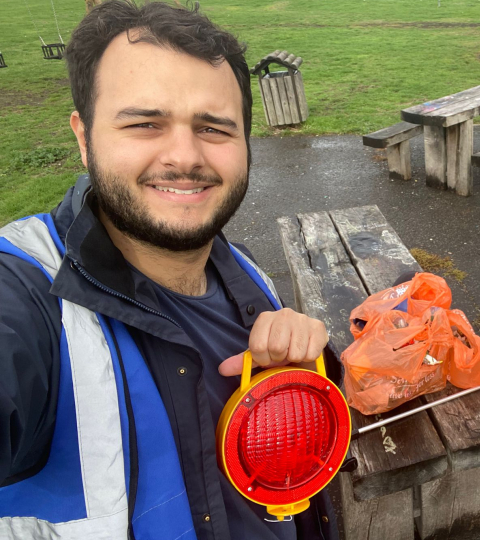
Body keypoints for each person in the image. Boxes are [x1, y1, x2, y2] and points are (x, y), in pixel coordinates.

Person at [0, 2, 336, 539]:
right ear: (84, 138)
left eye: (214, 128)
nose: (185, 155)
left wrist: (313, 368)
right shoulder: (30, 294)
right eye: (144, 123)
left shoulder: (246, 272)